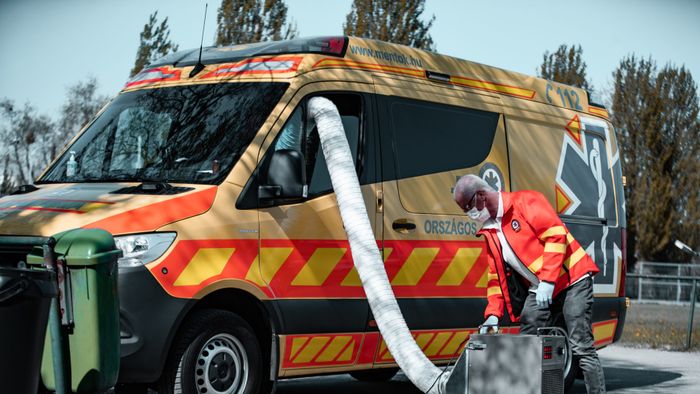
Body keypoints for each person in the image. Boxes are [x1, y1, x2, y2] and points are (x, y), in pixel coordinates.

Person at [453, 174, 606, 393]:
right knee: (528, 336)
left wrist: (547, 281)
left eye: (468, 207)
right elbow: (495, 276)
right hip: (543, 288)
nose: (469, 214)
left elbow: (556, 236)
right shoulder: (491, 231)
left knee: (580, 344)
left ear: (480, 196)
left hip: (573, 279)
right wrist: (493, 314)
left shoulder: (526, 201)